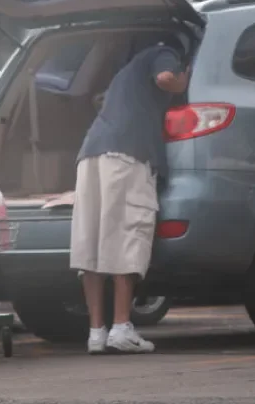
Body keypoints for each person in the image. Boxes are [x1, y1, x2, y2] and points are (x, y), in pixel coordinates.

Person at [70, 39, 189, 355]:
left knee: (91, 242)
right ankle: (121, 327)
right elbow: (166, 77)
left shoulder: (124, 75)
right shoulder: (164, 52)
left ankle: (96, 333)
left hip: (90, 154)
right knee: (128, 233)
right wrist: (183, 79)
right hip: (127, 155)